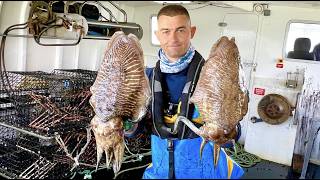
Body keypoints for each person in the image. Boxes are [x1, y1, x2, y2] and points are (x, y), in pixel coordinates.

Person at [136, 4, 244, 179]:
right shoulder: (146, 77)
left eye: (180, 30)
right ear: (157, 35)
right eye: (165, 31)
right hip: (161, 169)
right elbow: (137, 130)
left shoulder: (214, 75)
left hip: (205, 171)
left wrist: (227, 132)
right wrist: (127, 126)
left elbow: (235, 132)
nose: (173, 38)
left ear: (191, 32)